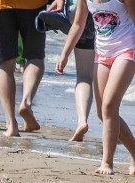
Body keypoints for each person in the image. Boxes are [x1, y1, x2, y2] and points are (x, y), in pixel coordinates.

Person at [57, 0, 135, 174]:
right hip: (102, 55)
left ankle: (107, 163)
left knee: (109, 107)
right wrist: (65, 54)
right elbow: (78, 24)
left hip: (127, 51)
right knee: (102, 113)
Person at [0, 0, 46, 137]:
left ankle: (11, 124)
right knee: (35, 57)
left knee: (5, 64)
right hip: (34, 4)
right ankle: (26, 102)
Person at [47, 0, 95, 142]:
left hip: (80, 11)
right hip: (115, 21)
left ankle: (82, 121)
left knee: (84, 76)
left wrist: (64, 54)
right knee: (106, 75)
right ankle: (111, 122)